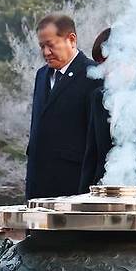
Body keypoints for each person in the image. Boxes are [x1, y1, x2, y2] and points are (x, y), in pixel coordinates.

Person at [26, 14, 101, 199]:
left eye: (50, 45)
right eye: (42, 47)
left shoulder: (93, 75)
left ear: (71, 39)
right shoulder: (41, 75)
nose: (45, 52)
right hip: (38, 182)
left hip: (73, 184)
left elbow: (96, 139)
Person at [79, 28, 113, 191]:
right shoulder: (98, 97)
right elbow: (92, 154)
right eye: (100, 63)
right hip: (102, 189)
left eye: (108, 61)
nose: (103, 70)